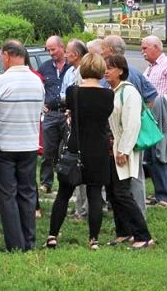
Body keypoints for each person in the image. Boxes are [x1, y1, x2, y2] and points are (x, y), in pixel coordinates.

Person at [46, 53, 113, 251]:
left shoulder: (73, 91)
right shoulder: (109, 95)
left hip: (76, 147)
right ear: (101, 70)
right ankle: (93, 239)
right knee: (94, 195)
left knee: (64, 194)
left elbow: (70, 112)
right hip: (98, 150)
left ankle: (52, 236)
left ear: (82, 69)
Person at [0, 40, 44, 251]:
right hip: (29, 144)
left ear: (7, 55)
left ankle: (14, 244)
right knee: (28, 193)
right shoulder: (36, 81)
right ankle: (29, 241)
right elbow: (40, 111)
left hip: (5, 145)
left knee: (7, 195)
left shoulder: (0, 82)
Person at [101, 35, 158, 215]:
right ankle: (132, 215)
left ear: (110, 50)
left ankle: (136, 218)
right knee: (133, 176)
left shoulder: (120, 80)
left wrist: (135, 119)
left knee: (129, 178)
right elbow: (151, 96)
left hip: (125, 138)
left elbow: (130, 114)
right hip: (127, 135)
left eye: (103, 48)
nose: (101, 52)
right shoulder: (135, 71)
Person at [142, 36, 167, 207]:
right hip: (149, 117)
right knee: (150, 157)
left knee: (161, 155)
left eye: (145, 48)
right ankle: (159, 193)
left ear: (156, 47)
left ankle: (165, 197)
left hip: (162, 116)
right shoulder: (148, 69)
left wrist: (162, 107)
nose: (142, 51)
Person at [59, 39, 89, 221]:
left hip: (82, 128)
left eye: (67, 52)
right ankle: (79, 208)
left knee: (82, 168)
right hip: (72, 122)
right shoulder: (70, 71)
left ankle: (84, 210)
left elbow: (74, 98)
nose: (64, 55)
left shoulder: (82, 74)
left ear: (76, 55)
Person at [37, 36, 71, 194]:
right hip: (51, 114)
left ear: (62, 47)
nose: (50, 53)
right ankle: (46, 182)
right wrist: (40, 104)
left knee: (68, 150)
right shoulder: (44, 68)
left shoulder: (72, 66)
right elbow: (37, 86)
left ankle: (69, 181)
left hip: (67, 114)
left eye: (53, 49)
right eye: (48, 50)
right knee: (48, 151)